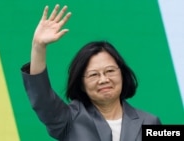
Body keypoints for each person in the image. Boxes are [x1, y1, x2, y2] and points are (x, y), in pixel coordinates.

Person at [21, 4, 161, 141]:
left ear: (122, 75)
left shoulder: (149, 122)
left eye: (110, 71)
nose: (103, 79)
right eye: (94, 74)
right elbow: (42, 97)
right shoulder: (69, 118)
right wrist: (38, 47)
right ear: (81, 84)